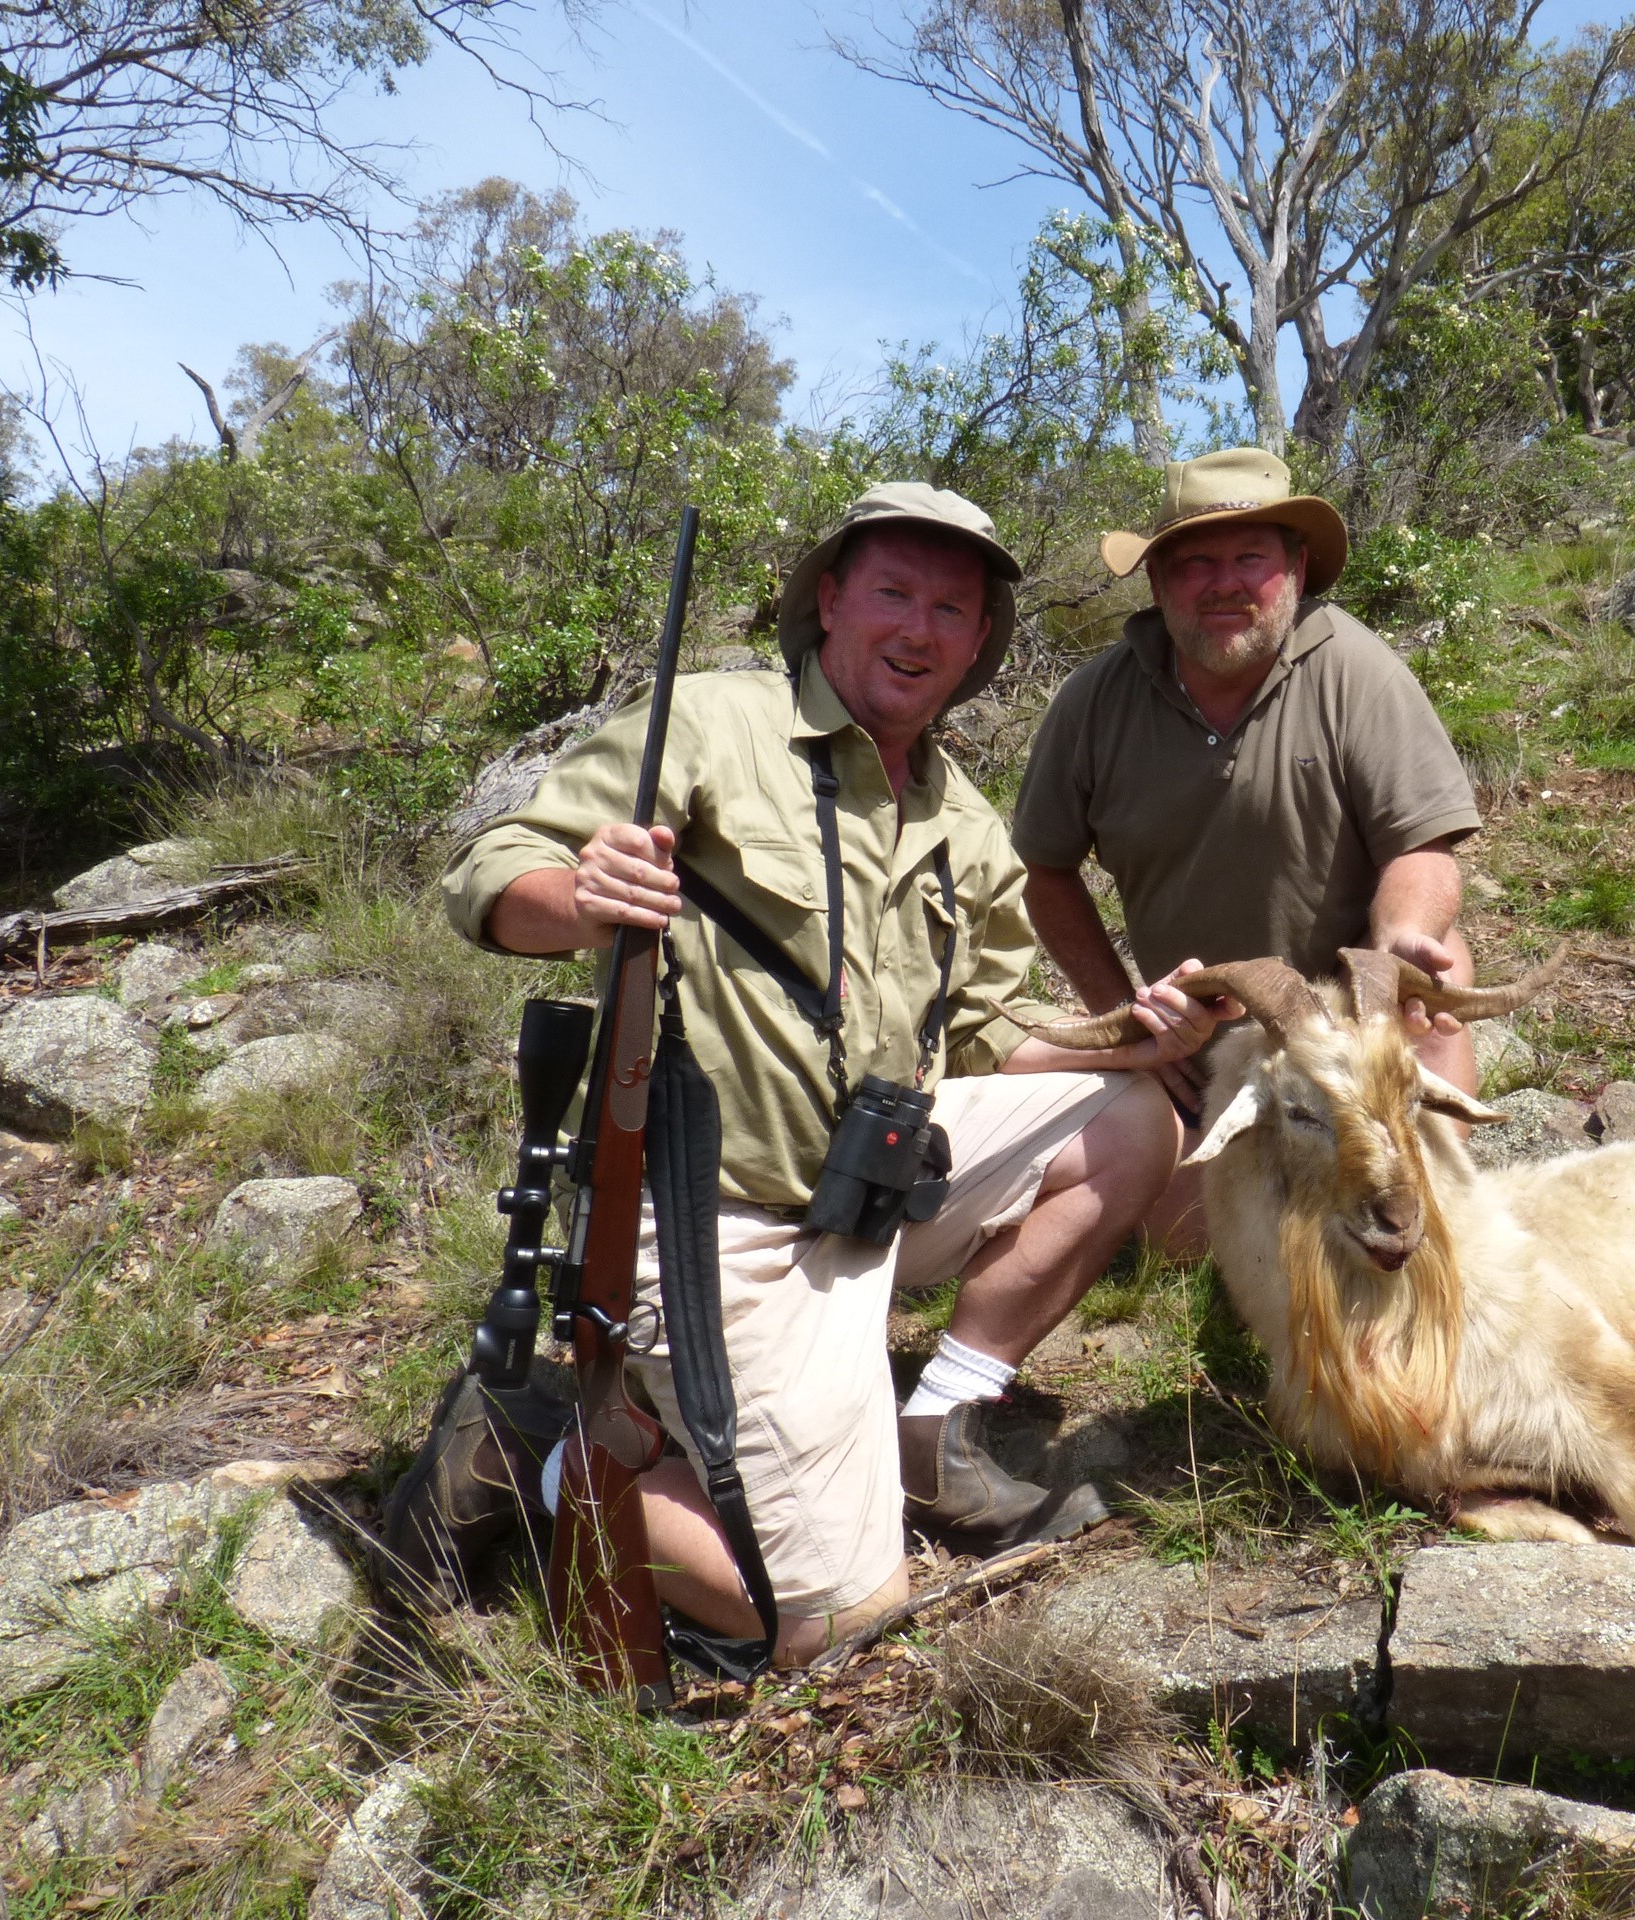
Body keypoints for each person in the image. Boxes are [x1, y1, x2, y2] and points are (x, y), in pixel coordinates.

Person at [403, 483, 1221, 1665]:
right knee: (833, 1620)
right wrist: (576, 900)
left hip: (869, 1193)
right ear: (829, 598)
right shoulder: (713, 722)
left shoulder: (964, 816)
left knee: (1134, 1117)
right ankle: (547, 1446)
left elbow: (987, 1033)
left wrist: (1123, 1040)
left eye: (953, 607)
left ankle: (936, 1421)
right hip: (711, 1220)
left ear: (982, 642)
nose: (921, 628)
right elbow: (496, 866)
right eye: (893, 590)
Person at [1010, 447, 1483, 1242]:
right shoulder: (1095, 701)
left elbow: (1425, 847)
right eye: (1194, 563)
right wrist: (1126, 1015)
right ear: (1158, 584)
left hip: (1354, 1024)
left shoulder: (1356, 672)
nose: (1223, 583)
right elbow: (1045, 870)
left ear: (1295, 568)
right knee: (1186, 1238)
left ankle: (1423, 1191)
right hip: (1204, 1041)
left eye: (1249, 558)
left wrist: (1402, 938)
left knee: (1436, 986)